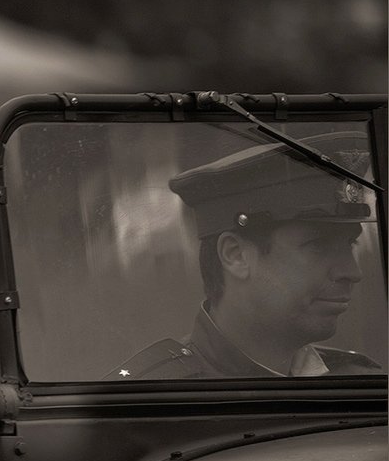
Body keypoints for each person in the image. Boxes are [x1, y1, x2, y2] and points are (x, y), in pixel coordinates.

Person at [108, 131, 381, 379]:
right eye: (318, 245)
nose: (352, 272)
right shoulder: (150, 399)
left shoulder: (362, 382)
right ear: (235, 255)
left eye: (351, 244)